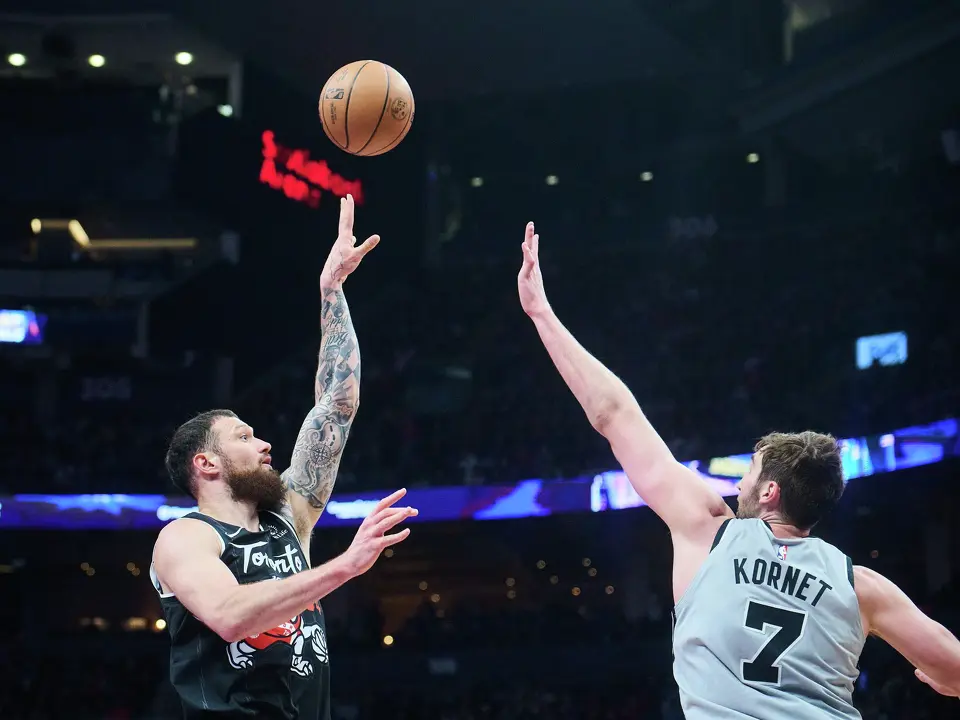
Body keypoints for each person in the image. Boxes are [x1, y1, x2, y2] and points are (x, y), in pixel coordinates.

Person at [516, 221, 960, 717]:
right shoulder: (860, 586)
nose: (740, 481)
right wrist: (943, 678)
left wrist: (542, 314)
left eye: (748, 470)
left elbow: (613, 415)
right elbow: (953, 666)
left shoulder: (709, 532)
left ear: (769, 491)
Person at [150, 195, 417, 720]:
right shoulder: (186, 536)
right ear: (206, 464)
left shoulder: (287, 517)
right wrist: (343, 567)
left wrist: (332, 291)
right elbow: (228, 616)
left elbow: (337, 406)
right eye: (245, 437)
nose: (265, 444)